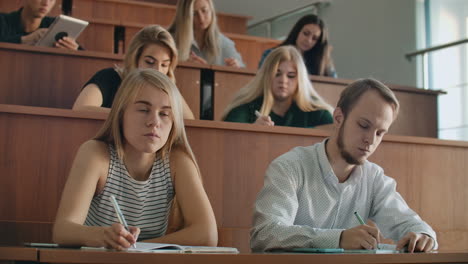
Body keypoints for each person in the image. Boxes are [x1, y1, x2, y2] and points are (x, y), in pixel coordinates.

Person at [250, 78, 437, 252]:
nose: (370, 140)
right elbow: (265, 234)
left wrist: (423, 235)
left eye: (380, 133)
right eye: (364, 125)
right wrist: (338, 239)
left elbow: (410, 224)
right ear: (339, 118)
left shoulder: (374, 178)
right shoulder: (290, 167)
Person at [53, 69, 217, 249]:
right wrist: (104, 236)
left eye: (164, 114)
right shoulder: (96, 154)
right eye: (143, 109)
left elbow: (207, 234)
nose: (154, 122)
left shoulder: (177, 162)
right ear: (121, 113)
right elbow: (63, 230)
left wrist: (137, 248)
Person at [73, 25, 195, 119]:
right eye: (149, 62)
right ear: (135, 59)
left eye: (164, 65)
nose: (158, 70)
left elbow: (189, 122)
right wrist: (132, 114)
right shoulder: (110, 77)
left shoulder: (167, 88)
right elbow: (80, 109)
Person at [222, 45, 333, 128]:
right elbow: (230, 137)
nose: (283, 81)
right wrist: (252, 130)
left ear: (300, 80)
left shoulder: (317, 112)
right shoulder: (246, 107)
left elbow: (334, 132)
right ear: (266, 76)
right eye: (277, 74)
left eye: (291, 76)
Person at [168, 0, 244, 68]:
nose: (201, 18)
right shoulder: (169, 40)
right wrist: (185, 67)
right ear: (184, 16)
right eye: (194, 14)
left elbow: (242, 72)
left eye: (204, 11)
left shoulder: (225, 43)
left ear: (212, 11)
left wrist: (236, 66)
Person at [258, 14, 336, 77]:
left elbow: (334, 85)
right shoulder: (270, 54)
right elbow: (260, 81)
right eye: (306, 33)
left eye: (314, 38)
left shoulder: (319, 62)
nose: (308, 40)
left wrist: (326, 59)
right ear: (297, 31)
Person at [0, 0, 79, 50]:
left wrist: (74, 50)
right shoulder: (2, 20)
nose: (46, 3)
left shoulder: (56, 24)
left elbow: (84, 55)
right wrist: (25, 40)